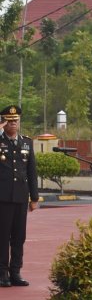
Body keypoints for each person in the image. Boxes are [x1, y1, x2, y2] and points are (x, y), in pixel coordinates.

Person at [0, 105, 39, 288]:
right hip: (3, 197)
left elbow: (31, 171)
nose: (13, 124)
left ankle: (15, 272)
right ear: (3, 122)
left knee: (19, 236)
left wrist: (35, 197)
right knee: (2, 236)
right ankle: (2, 273)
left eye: (16, 120)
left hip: (21, 197)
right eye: (9, 120)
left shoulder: (26, 142)